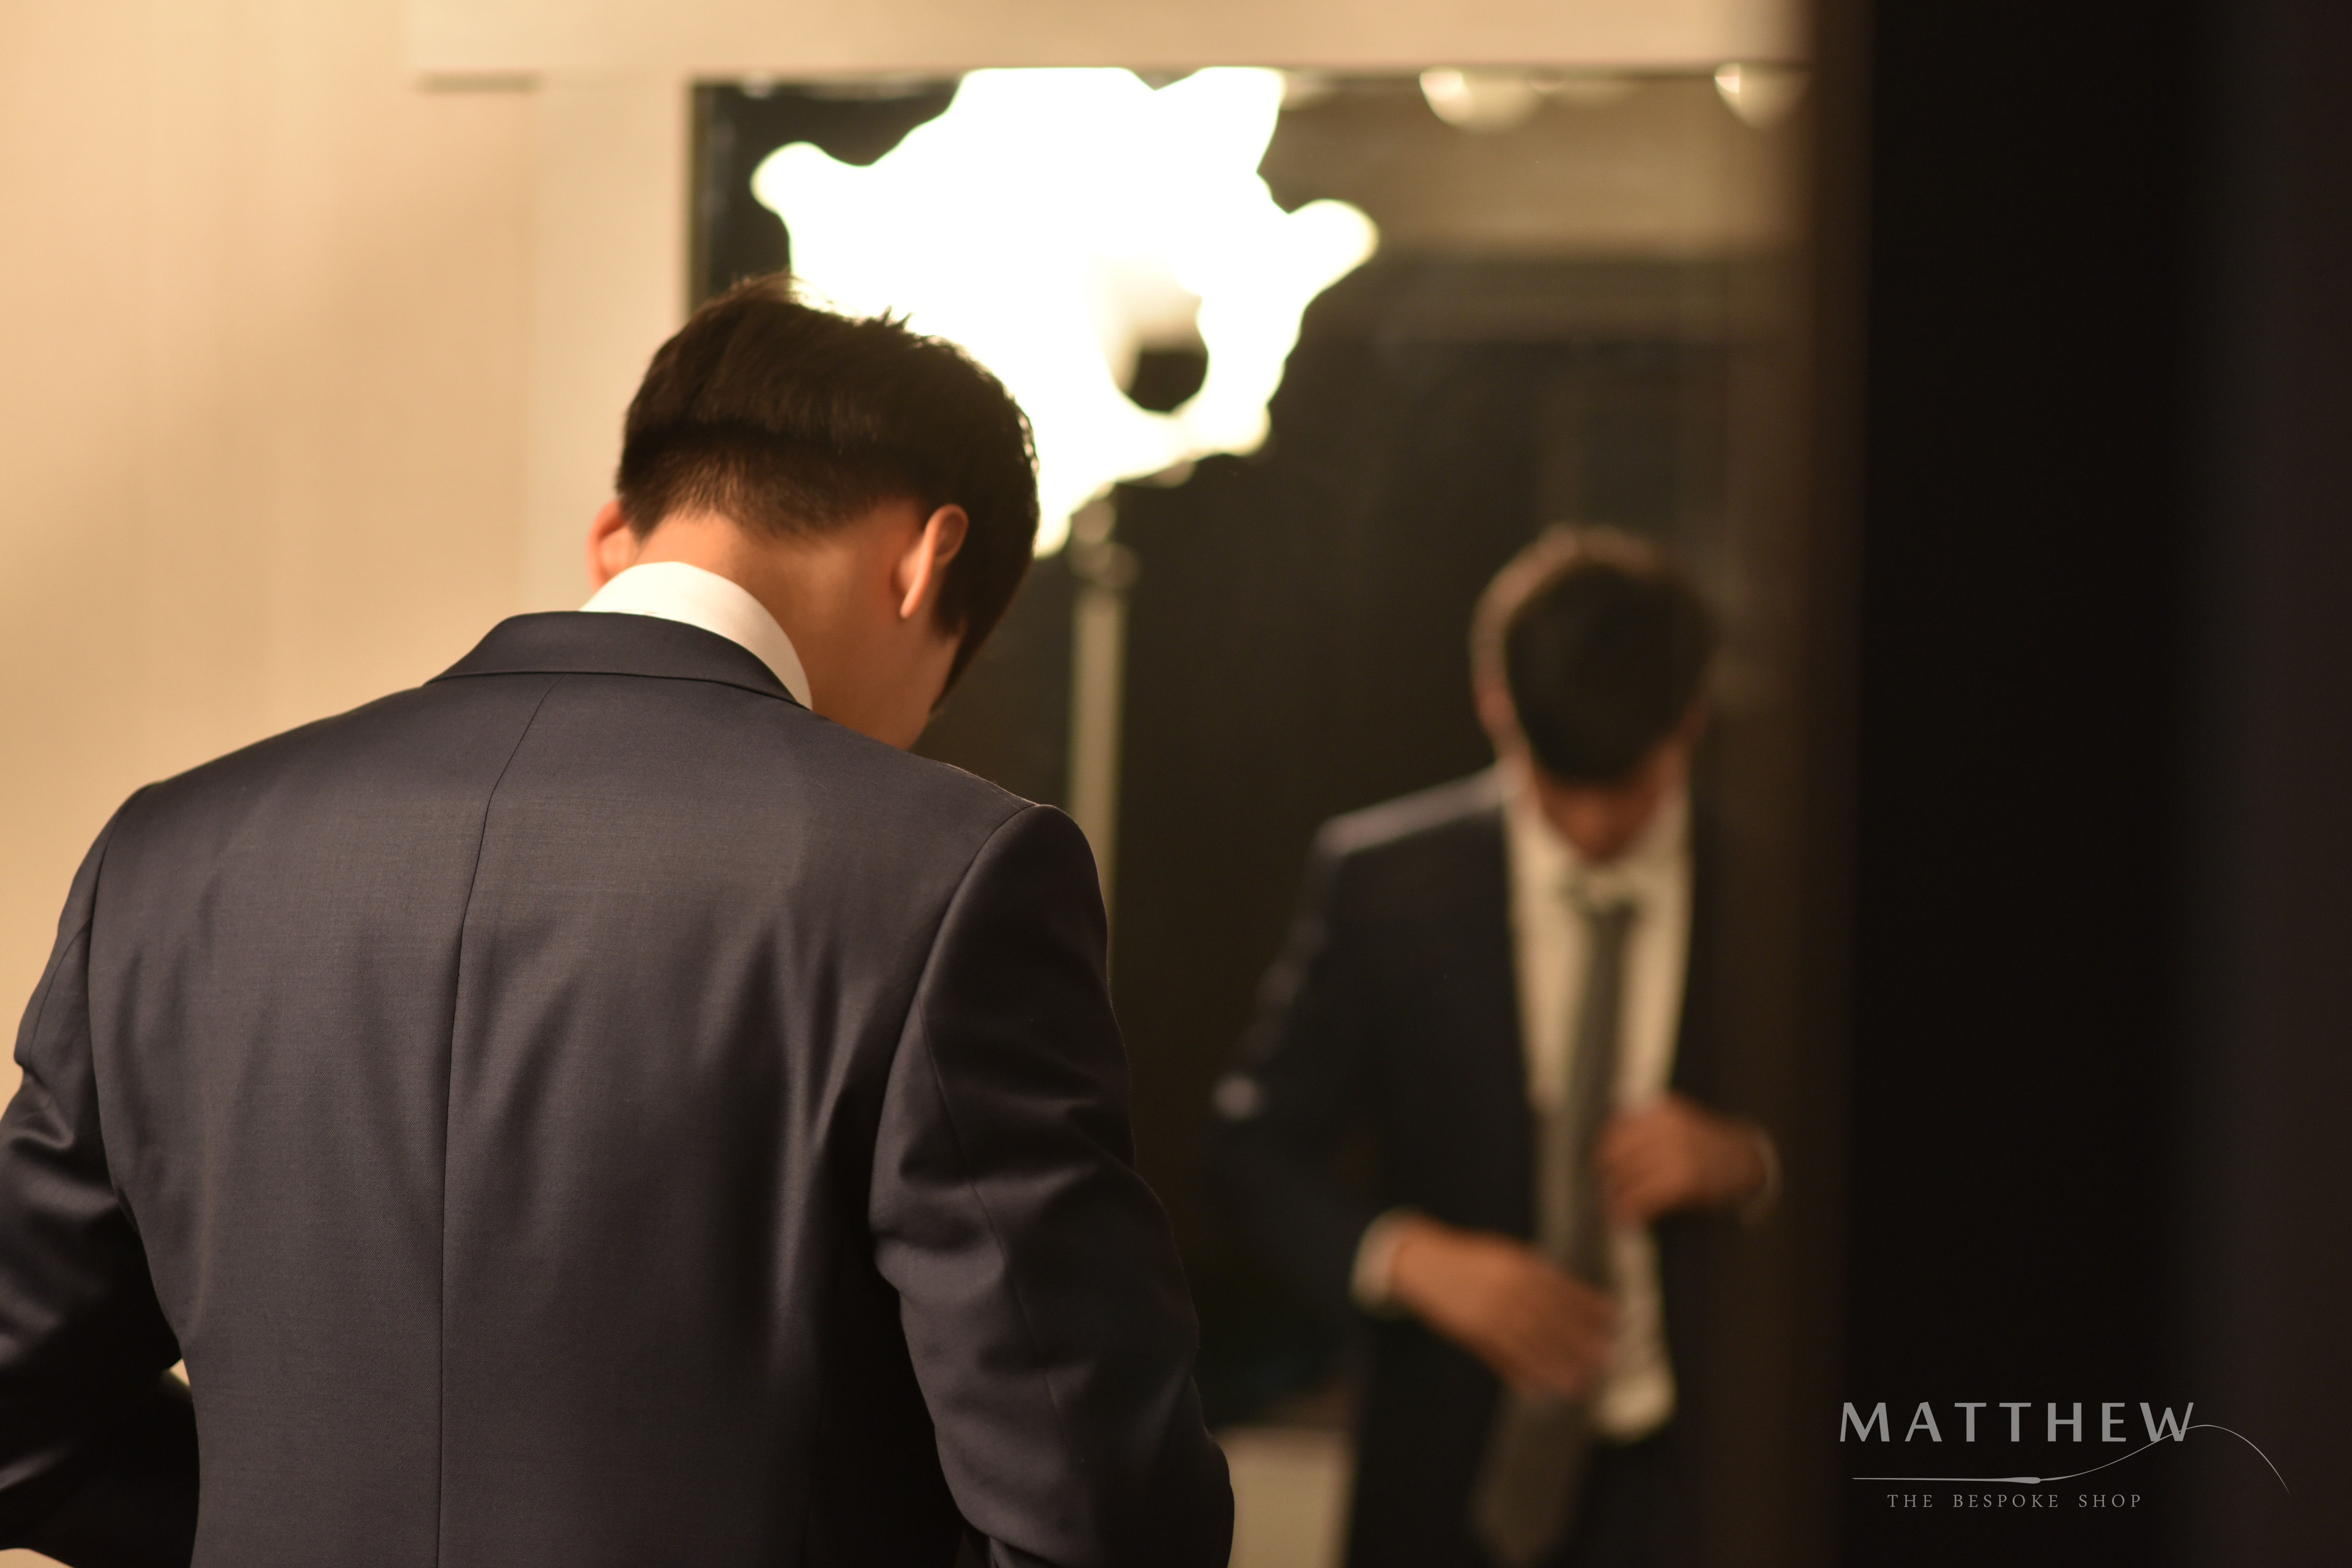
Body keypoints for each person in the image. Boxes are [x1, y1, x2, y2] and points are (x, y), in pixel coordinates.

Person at [0, 279, 1232, 1568]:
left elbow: (20, 1424)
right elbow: (1101, 1513)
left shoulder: (172, 852)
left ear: (613, 539)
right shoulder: (948, 872)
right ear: (927, 562)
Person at [1208, 528, 1775, 1568]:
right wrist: (1410, 1259)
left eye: (1627, 784)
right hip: (1447, 1475)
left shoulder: (1786, 885)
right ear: (1494, 705)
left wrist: (1753, 1162)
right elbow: (1252, 1147)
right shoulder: (1382, 882)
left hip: (1712, 1480)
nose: (1592, 826)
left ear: (1691, 719)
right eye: (1559, 783)